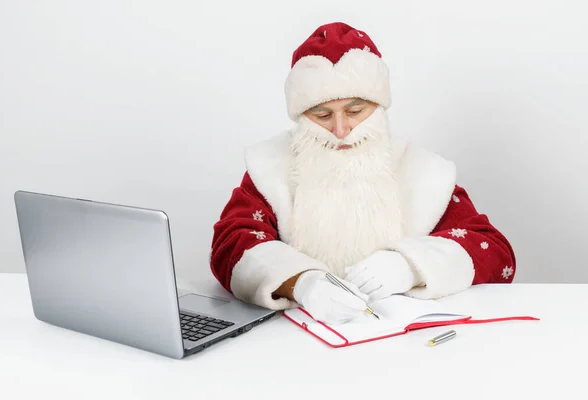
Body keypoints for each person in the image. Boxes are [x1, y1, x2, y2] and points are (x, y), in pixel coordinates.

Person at [209, 22, 516, 324]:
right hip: (300, 343)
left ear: (379, 107)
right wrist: (301, 282)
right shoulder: (270, 167)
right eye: (323, 115)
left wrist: (409, 265)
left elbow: (493, 251)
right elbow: (232, 241)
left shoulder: (423, 171)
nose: (341, 130)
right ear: (301, 116)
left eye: (355, 112)